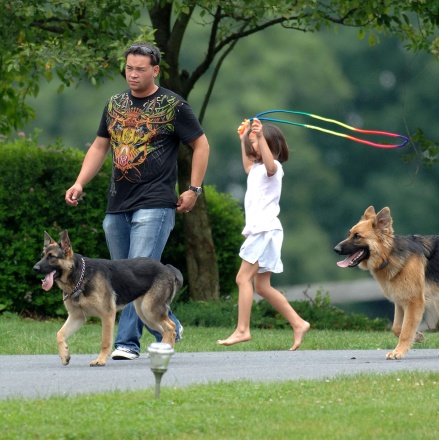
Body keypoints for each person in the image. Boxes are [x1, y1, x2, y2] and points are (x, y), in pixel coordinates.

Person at [65, 42, 210, 360]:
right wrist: (79, 182)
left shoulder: (173, 105)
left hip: (156, 202)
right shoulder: (114, 103)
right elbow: (100, 147)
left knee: (133, 272)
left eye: (140, 69)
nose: (133, 74)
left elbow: (201, 145)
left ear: (155, 70)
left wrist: (194, 189)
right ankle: (170, 325)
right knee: (127, 280)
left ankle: (126, 344)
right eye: (129, 68)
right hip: (117, 204)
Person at [217, 118, 309, 350]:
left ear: (270, 144)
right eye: (252, 143)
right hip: (265, 231)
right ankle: (298, 323)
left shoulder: (274, 169)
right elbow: (249, 166)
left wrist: (259, 136)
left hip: (265, 230)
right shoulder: (255, 170)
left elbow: (269, 165)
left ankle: (242, 330)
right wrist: (243, 139)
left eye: (257, 142)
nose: (253, 145)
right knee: (261, 286)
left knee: (242, 279)